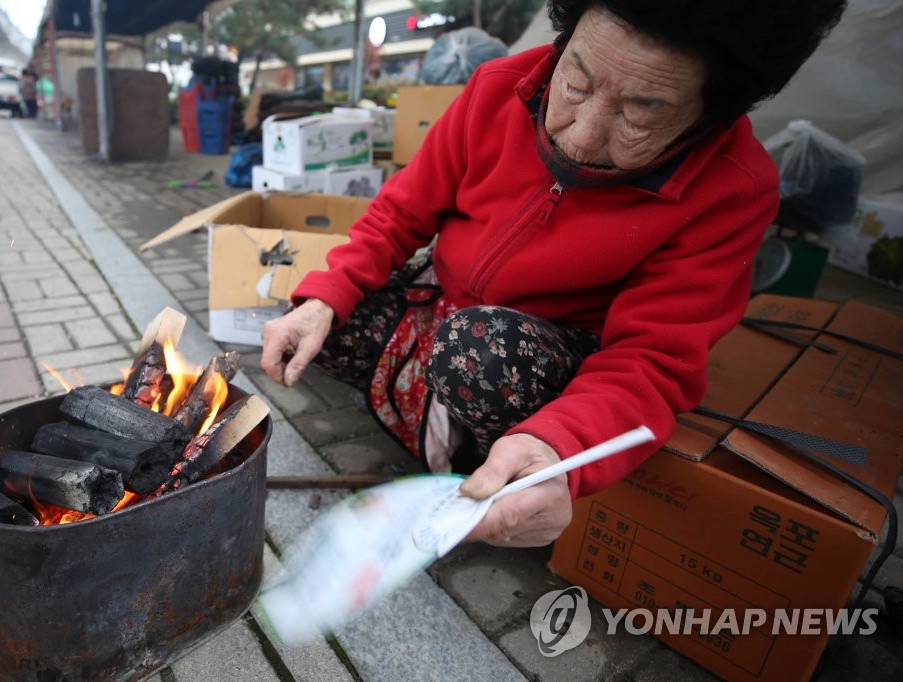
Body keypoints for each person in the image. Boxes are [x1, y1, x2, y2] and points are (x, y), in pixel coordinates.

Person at [261, 0, 847, 548]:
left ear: (713, 112)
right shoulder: (498, 87)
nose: (583, 136)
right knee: (317, 318)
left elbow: (651, 362)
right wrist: (324, 299)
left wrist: (559, 445)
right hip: (443, 306)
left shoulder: (734, 189)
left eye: (642, 111)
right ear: (563, 40)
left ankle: (496, 476)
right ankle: (437, 427)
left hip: (537, 356)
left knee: (479, 353)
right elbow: (400, 214)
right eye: (577, 82)